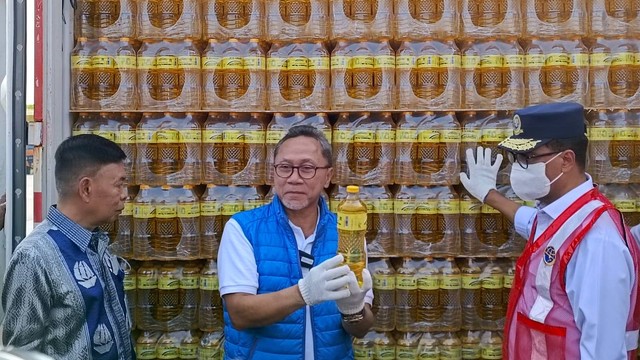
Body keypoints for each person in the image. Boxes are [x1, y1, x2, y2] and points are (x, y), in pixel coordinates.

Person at [459, 102, 640, 360]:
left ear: (566, 160)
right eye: (516, 158)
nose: (518, 167)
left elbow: (604, 352)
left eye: (527, 158)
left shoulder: (597, 242)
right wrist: (490, 196)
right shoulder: (562, 216)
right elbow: (535, 224)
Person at [218, 125, 375, 359]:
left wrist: (353, 310)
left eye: (307, 168)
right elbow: (240, 314)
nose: (294, 178)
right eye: (285, 168)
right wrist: (303, 293)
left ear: (328, 176)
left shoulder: (347, 234)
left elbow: (361, 329)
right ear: (274, 173)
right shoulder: (243, 229)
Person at [1, 134, 134, 359]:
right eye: (119, 184)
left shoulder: (97, 243)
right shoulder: (34, 257)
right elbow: (20, 353)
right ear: (86, 189)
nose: (125, 195)